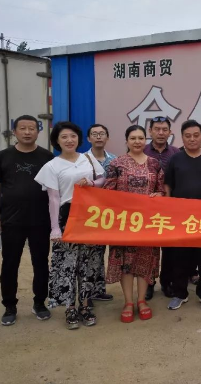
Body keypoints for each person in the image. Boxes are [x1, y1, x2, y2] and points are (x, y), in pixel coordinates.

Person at [34, 121, 105, 330]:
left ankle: (86, 305)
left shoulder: (88, 159)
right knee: (67, 264)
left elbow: (102, 179)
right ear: (57, 141)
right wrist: (55, 228)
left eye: (73, 136)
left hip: (90, 217)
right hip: (67, 217)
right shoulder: (52, 166)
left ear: (78, 139)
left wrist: (91, 183)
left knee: (89, 262)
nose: (69, 140)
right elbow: (53, 198)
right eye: (64, 137)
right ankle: (70, 307)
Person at [0, 115, 55, 326]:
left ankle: (39, 303)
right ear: (14, 132)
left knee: (41, 263)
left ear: (38, 132)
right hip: (11, 220)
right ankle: (9, 306)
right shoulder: (3, 156)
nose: (27, 132)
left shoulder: (47, 157)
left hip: (40, 220)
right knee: (10, 264)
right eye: (23, 128)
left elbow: (55, 190)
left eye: (31, 128)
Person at [104, 125, 165, 323]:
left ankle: (142, 300)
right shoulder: (117, 163)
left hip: (148, 222)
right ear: (127, 141)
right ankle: (128, 302)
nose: (137, 141)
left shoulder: (154, 164)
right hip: (124, 223)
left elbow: (161, 190)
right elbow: (107, 193)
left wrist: (159, 195)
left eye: (140, 138)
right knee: (126, 263)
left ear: (145, 140)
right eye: (133, 138)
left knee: (145, 261)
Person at [164, 120, 201, 311]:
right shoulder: (175, 159)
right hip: (180, 217)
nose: (192, 139)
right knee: (180, 256)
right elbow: (168, 185)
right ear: (182, 137)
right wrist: (168, 207)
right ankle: (180, 293)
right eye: (188, 136)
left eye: (196, 135)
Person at [143, 116, 180, 300]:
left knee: (170, 249)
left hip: (169, 206)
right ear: (150, 131)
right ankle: (149, 283)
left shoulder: (175, 152)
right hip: (146, 207)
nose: (160, 133)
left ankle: (167, 282)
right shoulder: (142, 151)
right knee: (149, 248)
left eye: (164, 129)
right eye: (157, 129)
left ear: (170, 132)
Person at [85, 124, 116, 306]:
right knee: (88, 253)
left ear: (107, 137)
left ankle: (98, 290)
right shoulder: (82, 159)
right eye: (94, 134)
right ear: (89, 138)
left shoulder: (114, 160)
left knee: (101, 252)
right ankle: (86, 293)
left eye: (102, 133)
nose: (98, 137)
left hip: (109, 213)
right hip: (89, 213)